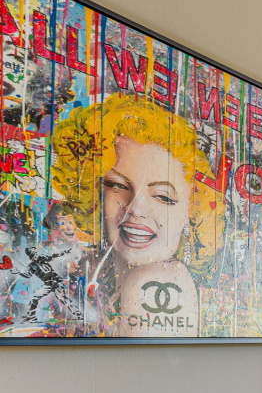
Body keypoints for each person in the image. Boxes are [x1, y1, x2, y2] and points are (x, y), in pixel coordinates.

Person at [50, 94, 224, 336]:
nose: (136, 208)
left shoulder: (152, 281)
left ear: (191, 212)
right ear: (95, 197)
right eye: (117, 186)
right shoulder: (103, 270)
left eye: (163, 196)